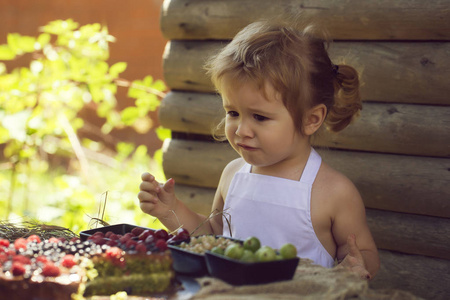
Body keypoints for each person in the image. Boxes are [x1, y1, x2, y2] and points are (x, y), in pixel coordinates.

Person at [138, 20, 380, 279]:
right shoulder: (233, 175)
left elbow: (362, 252)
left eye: (259, 117)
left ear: (311, 119)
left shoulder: (334, 192)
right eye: (233, 112)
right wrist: (171, 211)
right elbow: (213, 236)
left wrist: (356, 265)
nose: (241, 130)